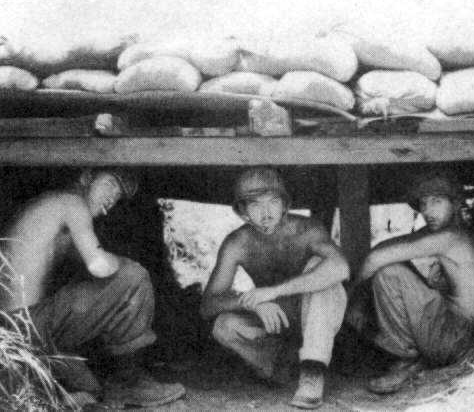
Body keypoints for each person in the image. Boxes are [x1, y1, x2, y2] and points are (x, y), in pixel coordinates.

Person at [0, 168, 186, 408]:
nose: (113, 196)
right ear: (86, 177)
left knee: (90, 388)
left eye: (118, 194)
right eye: (110, 184)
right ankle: (129, 381)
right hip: (26, 325)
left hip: (12, 334)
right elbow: (100, 267)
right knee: (134, 275)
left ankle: (50, 391)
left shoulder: (49, 207)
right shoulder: (72, 202)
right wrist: (125, 262)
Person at [200, 167, 349, 409]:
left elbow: (340, 268)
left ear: (285, 205)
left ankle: (312, 370)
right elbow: (209, 304)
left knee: (321, 270)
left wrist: (273, 292)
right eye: (255, 205)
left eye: (273, 202)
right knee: (224, 325)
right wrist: (254, 302)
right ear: (243, 211)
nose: (266, 213)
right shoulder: (238, 242)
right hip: (277, 319)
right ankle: (282, 365)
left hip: (317, 315)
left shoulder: (307, 229)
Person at [347, 171, 474, 394]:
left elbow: (374, 258)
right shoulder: (462, 234)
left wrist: (350, 297)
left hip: (455, 338)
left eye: (436, 201)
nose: (427, 210)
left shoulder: (451, 238)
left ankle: (406, 361)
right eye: (423, 203)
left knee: (389, 273)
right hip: (469, 337)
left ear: (455, 204)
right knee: (402, 267)